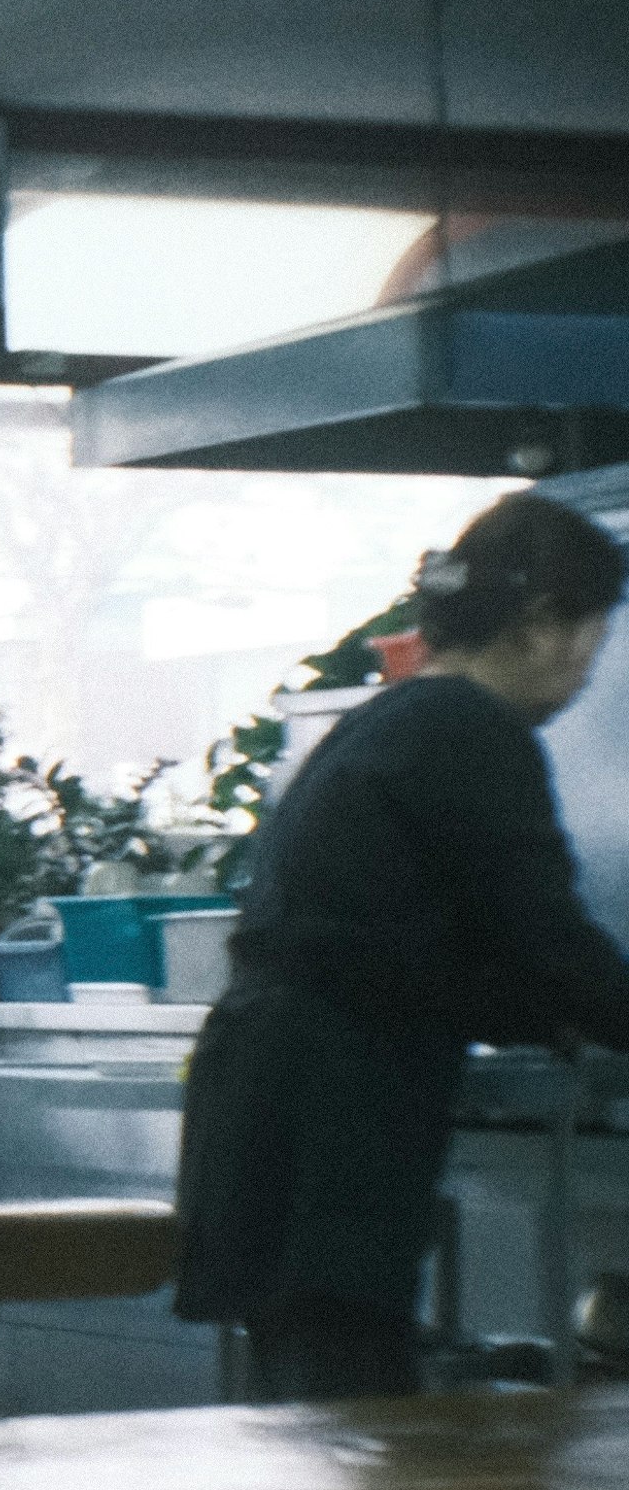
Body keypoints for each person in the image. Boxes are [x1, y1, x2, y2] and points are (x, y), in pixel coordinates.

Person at [178, 490, 629, 1400]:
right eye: (592, 640)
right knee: (346, 1422)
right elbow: (546, 937)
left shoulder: (392, 719)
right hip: (330, 1112)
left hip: (279, 1097)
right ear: (545, 627)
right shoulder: (472, 731)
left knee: (317, 1423)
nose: (586, 672)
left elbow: (420, 940)